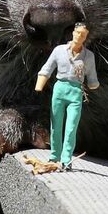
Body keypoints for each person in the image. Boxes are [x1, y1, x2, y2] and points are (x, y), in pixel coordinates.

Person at [35, 22, 99, 172]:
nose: (79, 36)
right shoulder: (59, 50)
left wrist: (94, 85)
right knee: (55, 125)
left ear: (86, 37)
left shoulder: (89, 56)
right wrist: (39, 84)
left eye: (83, 35)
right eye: (77, 33)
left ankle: (66, 160)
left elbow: (92, 77)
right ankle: (54, 156)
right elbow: (47, 68)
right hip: (60, 88)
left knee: (71, 127)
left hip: (76, 91)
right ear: (72, 33)